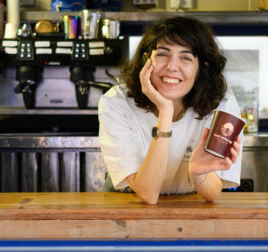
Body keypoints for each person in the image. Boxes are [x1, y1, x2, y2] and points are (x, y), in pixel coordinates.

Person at [98, 17, 242, 204]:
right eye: (162, 54)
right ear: (146, 59)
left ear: (202, 66)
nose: (172, 66)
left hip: (189, 200)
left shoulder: (221, 102)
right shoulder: (117, 102)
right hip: (128, 199)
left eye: (186, 57)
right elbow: (148, 194)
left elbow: (212, 194)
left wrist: (198, 173)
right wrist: (165, 111)